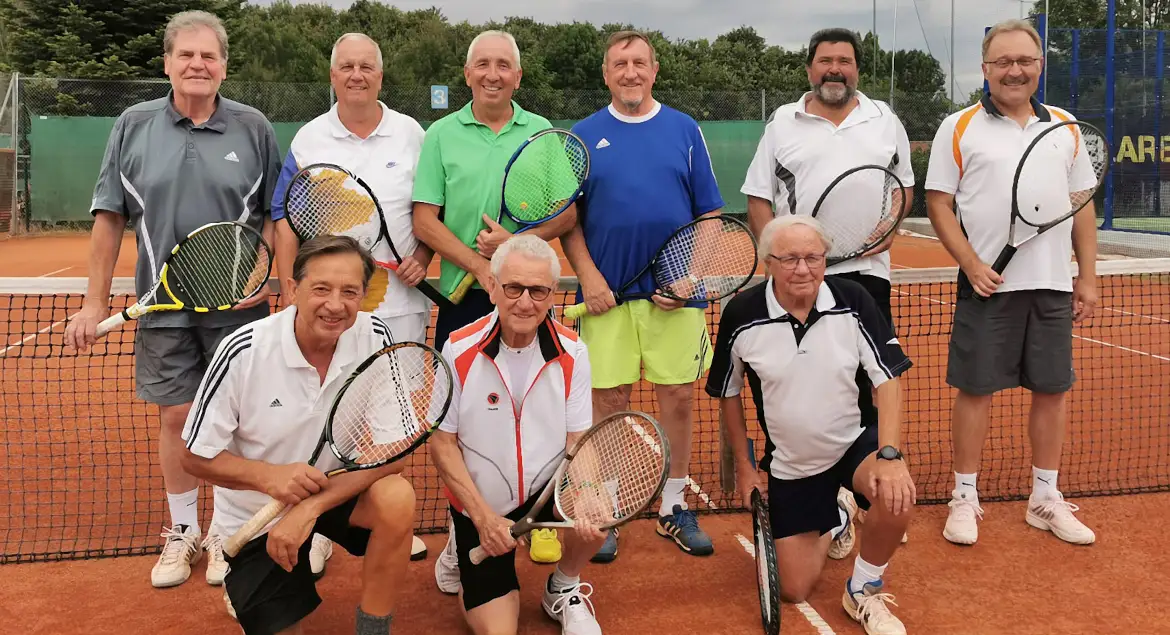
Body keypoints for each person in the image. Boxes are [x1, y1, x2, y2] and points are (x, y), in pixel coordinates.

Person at [62, 10, 280, 589]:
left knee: (239, 422)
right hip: (162, 306)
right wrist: (92, 303)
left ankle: (229, 532)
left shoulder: (254, 127)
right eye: (186, 55)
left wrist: (268, 278)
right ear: (167, 63)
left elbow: (275, 217)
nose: (197, 65)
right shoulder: (132, 126)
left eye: (209, 56)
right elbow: (109, 218)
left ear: (224, 66)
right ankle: (183, 531)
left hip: (239, 308)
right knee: (176, 417)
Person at [180, 235, 416, 635]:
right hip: (258, 517)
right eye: (321, 289)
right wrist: (269, 478)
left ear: (364, 295)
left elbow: (394, 451)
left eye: (350, 292)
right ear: (292, 289)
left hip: (332, 494)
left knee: (397, 497)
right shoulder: (243, 350)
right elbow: (193, 457)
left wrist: (310, 508)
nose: (335, 305)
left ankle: (373, 629)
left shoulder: (375, 337)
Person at [740, 27, 916, 558]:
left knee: (863, 385)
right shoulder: (782, 124)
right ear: (810, 68)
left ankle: (859, 492)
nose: (834, 69)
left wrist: (884, 229)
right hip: (797, 272)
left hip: (866, 276)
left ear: (857, 68)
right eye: (824, 61)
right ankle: (805, 486)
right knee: (788, 382)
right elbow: (758, 197)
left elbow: (902, 189)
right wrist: (781, 257)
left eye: (844, 61)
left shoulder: (885, 120)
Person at [924, 19, 1098, 547]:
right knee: (975, 391)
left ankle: (1044, 498)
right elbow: (938, 203)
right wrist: (972, 263)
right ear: (985, 68)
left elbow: (1082, 207)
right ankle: (964, 497)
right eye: (1003, 62)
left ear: (1040, 65)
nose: (1014, 70)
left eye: (1024, 60)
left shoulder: (1066, 127)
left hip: (1052, 286)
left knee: (1052, 391)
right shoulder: (958, 126)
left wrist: (1086, 277)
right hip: (987, 287)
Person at [413, 29, 577, 582]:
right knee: (460, 425)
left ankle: (545, 525)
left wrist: (513, 245)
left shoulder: (543, 136)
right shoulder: (440, 134)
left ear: (518, 76)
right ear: (467, 75)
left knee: (540, 412)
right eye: (482, 64)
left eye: (503, 65)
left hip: (526, 298)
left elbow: (567, 216)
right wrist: (484, 266)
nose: (492, 74)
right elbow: (424, 219)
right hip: (466, 304)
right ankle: (464, 531)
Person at [707, 215, 915, 635]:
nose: (803, 269)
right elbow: (728, 393)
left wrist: (890, 456)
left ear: (824, 259)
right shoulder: (742, 314)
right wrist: (746, 467)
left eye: (812, 257)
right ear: (768, 262)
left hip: (855, 442)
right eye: (789, 259)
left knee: (896, 495)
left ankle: (863, 589)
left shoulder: (853, 299)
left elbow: (888, 379)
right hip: (794, 460)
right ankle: (838, 513)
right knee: (796, 589)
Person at [270, 31, 431, 571]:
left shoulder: (412, 133)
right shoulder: (309, 138)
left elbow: (434, 206)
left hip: (401, 300)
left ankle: (390, 516)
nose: (357, 75)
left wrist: (425, 255)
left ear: (380, 75)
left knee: (395, 417)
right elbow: (284, 216)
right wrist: (291, 285)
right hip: (330, 304)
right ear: (333, 75)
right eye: (347, 67)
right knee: (323, 410)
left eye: (367, 66)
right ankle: (316, 521)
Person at [561, 30, 723, 563]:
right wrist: (588, 277)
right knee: (608, 402)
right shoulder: (582, 136)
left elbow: (710, 215)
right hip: (606, 300)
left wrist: (691, 276)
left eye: (639, 63)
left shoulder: (684, 129)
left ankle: (674, 506)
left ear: (654, 70)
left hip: (674, 300)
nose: (629, 72)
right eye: (618, 64)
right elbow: (569, 221)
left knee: (677, 396)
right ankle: (605, 507)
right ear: (606, 75)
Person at [429, 234, 605, 635]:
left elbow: (579, 438)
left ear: (551, 295)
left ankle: (564, 585)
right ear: (492, 288)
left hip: (547, 490)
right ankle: (462, 542)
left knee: (601, 510)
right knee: (499, 631)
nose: (525, 302)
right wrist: (483, 518)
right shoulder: (458, 349)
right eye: (513, 287)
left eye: (538, 290)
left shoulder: (573, 352)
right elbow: (443, 443)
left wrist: (590, 489)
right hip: (483, 504)